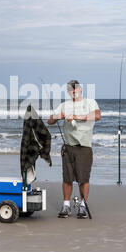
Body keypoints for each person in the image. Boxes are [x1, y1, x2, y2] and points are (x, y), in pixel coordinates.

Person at [47, 80, 101, 218]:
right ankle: (66, 206)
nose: (74, 91)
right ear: (68, 92)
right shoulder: (64, 105)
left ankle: (82, 206)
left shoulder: (90, 102)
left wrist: (77, 117)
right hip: (68, 147)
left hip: (84, 147)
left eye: (75, 89)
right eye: (71, 90)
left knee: (83, 178)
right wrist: (59, 116)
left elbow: (97, 116)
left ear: (80, 89)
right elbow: (50, 121)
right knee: (67, 178)